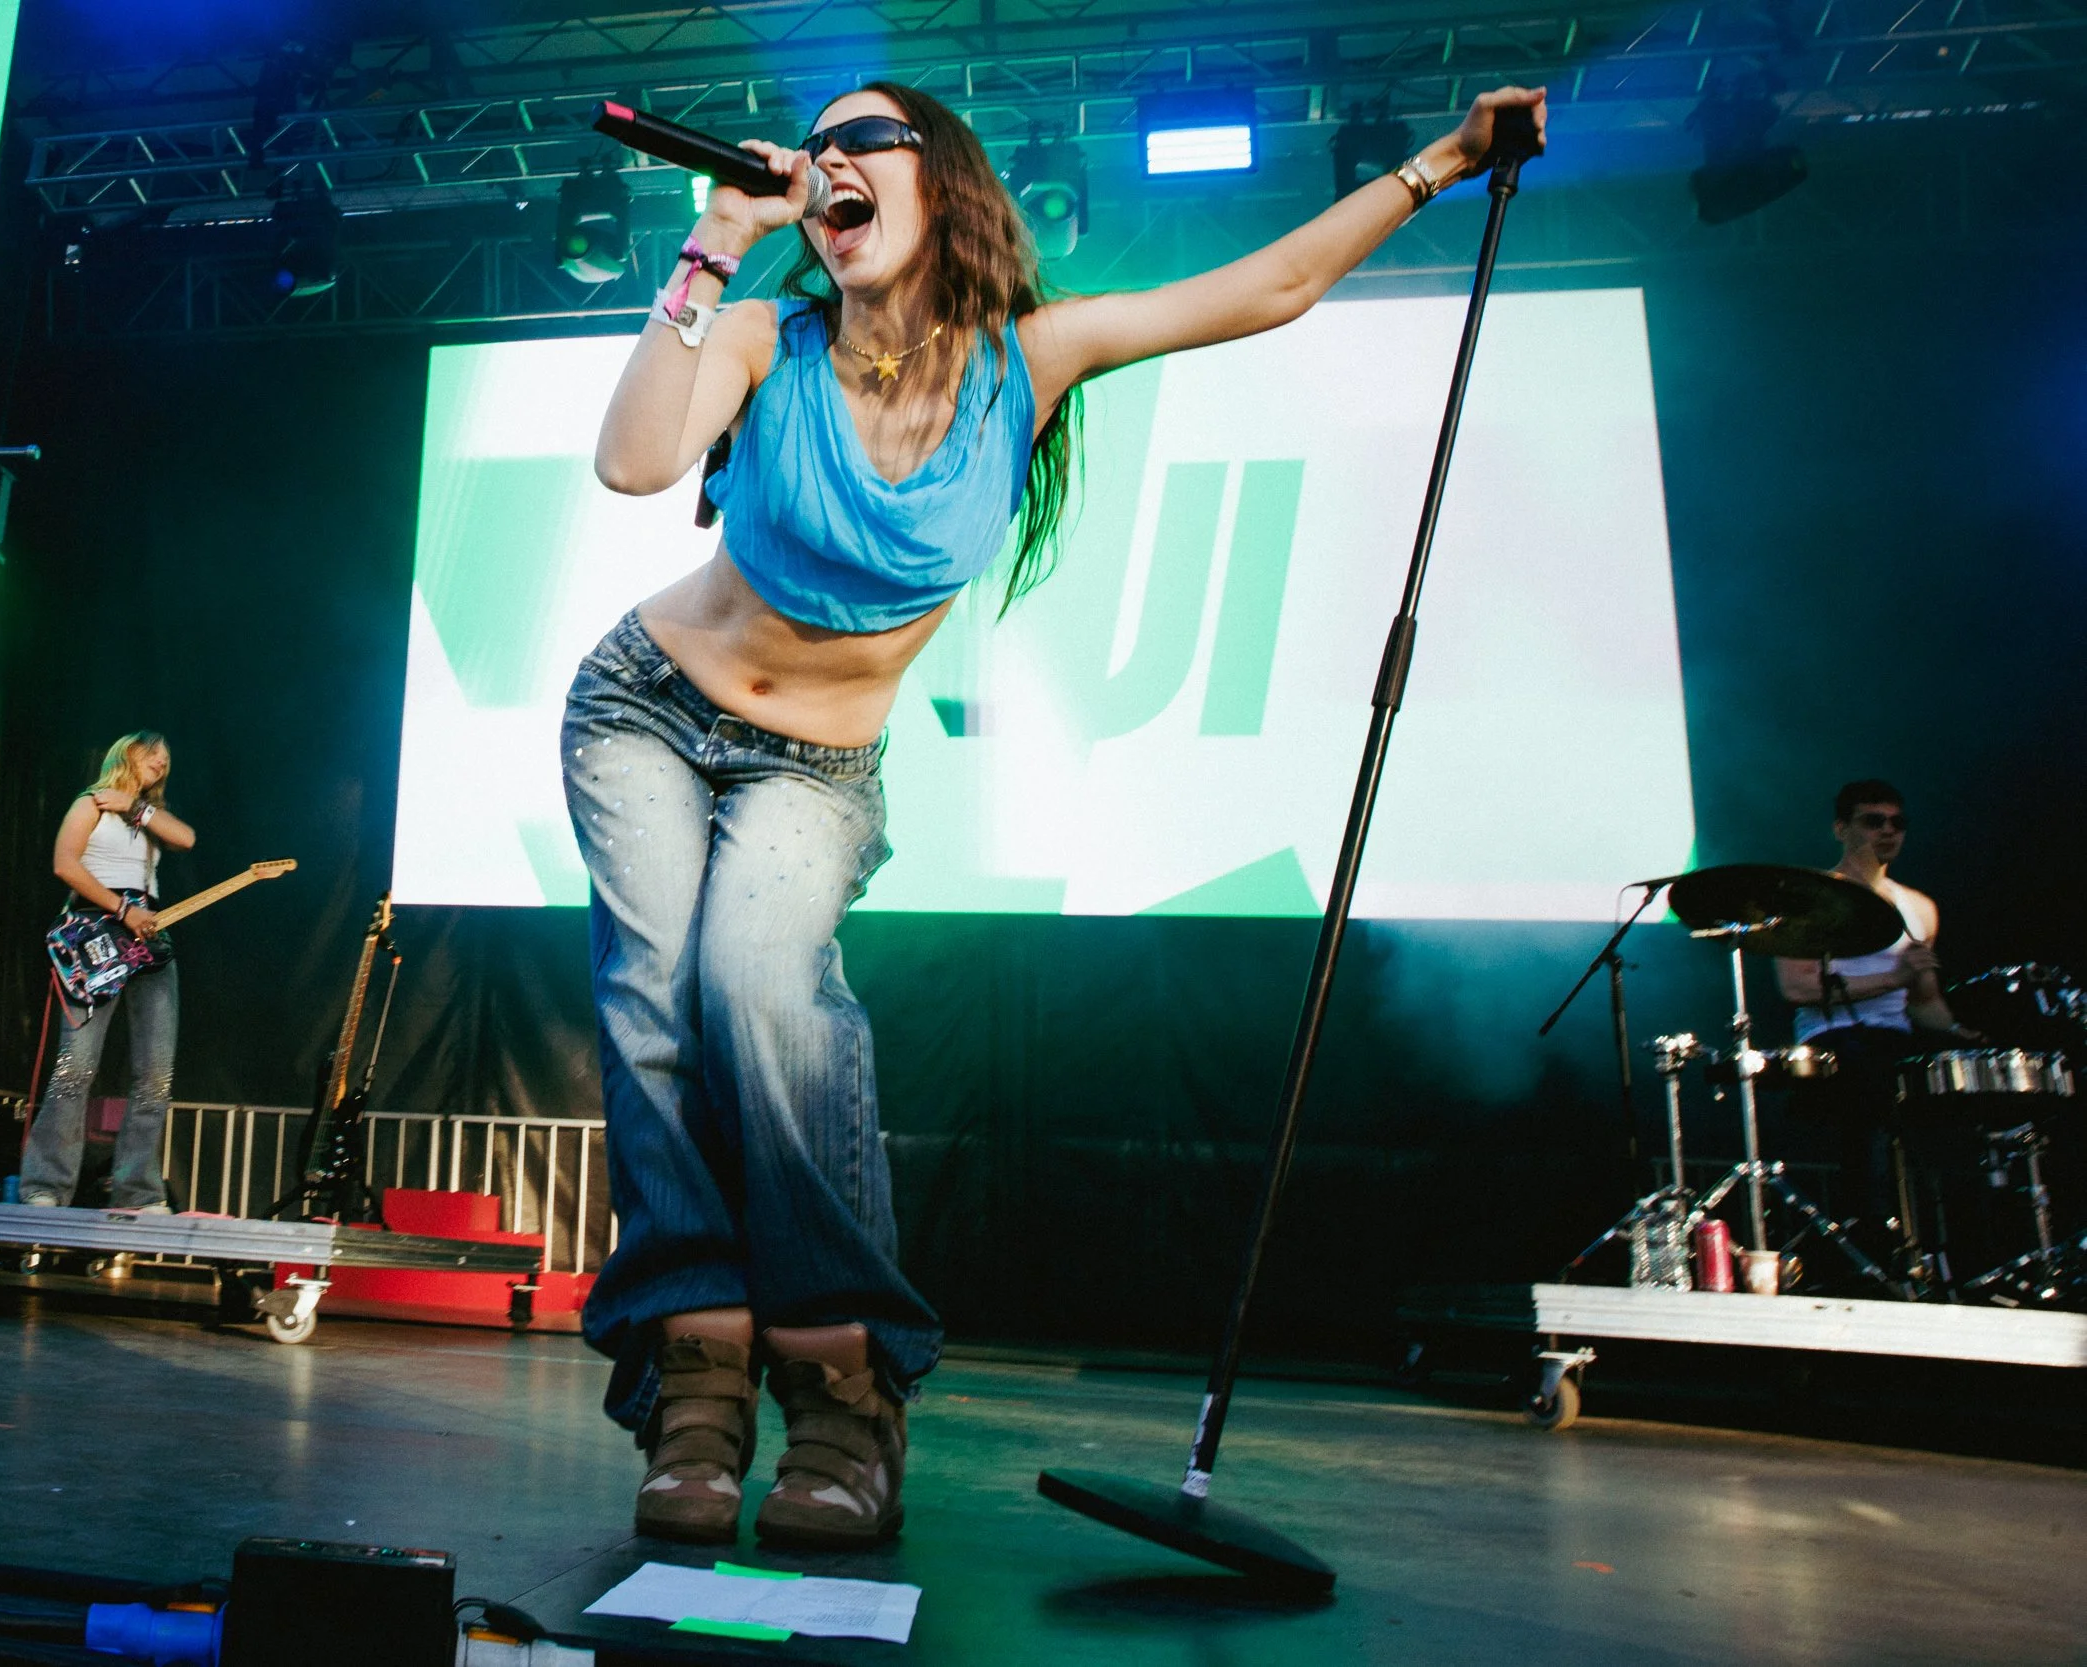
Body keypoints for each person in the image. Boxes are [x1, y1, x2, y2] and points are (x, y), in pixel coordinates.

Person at [567, 78, 1547, 1548]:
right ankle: (694, 1373)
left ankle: (840, 1380)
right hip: (645, 705)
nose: (828, 165)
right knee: (653, 1007)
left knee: (754, 986)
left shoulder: (1032, 359)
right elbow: (636, 462)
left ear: (938, 178)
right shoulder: (769, 338)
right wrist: (714, 240)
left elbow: (1267, 286)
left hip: (811, 765)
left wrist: (1446, 161)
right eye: (811, 153)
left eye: (862, 143)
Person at [1773, 779, 1977, 1255]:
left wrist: (1962, 1033)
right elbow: (1798, 987)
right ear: (1841, 829)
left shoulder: (1919, 908)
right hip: (1833, 1040)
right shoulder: (1811, 898)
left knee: (1963, 1093)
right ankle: (1866, 1237)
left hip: (1896, 1039)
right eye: (1873, 821)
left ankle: (1949, 1248)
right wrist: (1894, 980)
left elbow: (1924, 1000)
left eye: (1897, 823)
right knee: (1871, 1081)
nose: (1888, 831)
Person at [19, 731, 196, 1212]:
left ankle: (138, 1191)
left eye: (167, 756)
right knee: (75, 1067)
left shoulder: (145, 816)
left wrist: (135, 806)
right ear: (126, 753)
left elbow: (186, 838)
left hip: (149, 941)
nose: (162, 760)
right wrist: (121, 909)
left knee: (155, 1076)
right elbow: (65, 865)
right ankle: (44, 1186)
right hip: (98, 934)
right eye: (152, 751)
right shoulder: (90, 803)